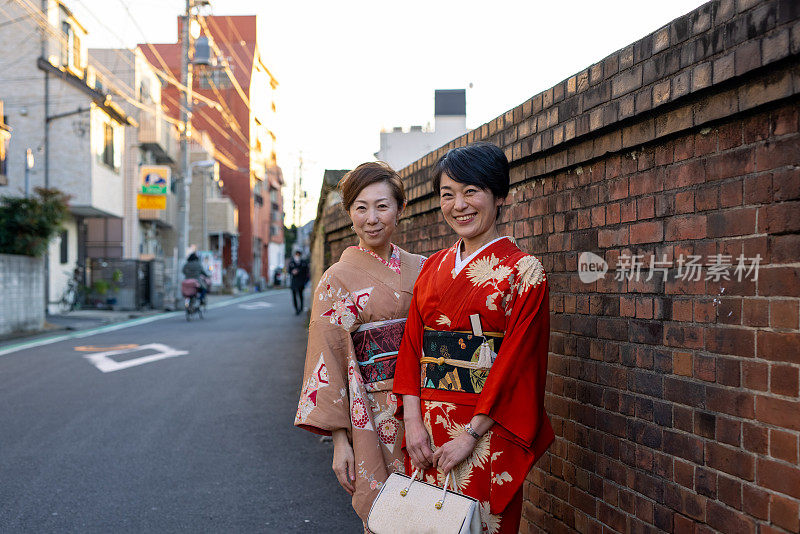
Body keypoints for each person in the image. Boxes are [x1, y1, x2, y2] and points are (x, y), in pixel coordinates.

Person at [393, 143, 553, 534]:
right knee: (426, 522)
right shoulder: (433, 266)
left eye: (471, 191)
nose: (458, 205)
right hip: (428, 428)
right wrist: (413, 424)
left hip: (487, 427)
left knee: (477, 524)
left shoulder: (524, 273)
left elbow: (516, 363)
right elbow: (414, 346)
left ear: (500, 196)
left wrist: (470, 436)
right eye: (448, 195)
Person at [294, 161, 426, 528]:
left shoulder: (424, 269)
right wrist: (340, 442)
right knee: (386, 515)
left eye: (382, 206)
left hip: (428, 407)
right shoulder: (336, 279)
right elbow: (327, 359)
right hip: (372, 411)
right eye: (361, 207)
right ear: (349, 214)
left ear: (400, 210)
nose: (372, 217)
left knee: (435, 509)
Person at [288, 250, 310, 315]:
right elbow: (289, 270)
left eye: (298, 255)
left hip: (301, 282)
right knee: (294, 295)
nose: (297, 256)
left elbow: (306, 272)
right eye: (296, 255)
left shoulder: (303, 263)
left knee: (300, 295)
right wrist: (292, 272)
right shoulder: (291, 262)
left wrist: (305, 281)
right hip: (294, 282)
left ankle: (301, 308)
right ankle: (296, 309)